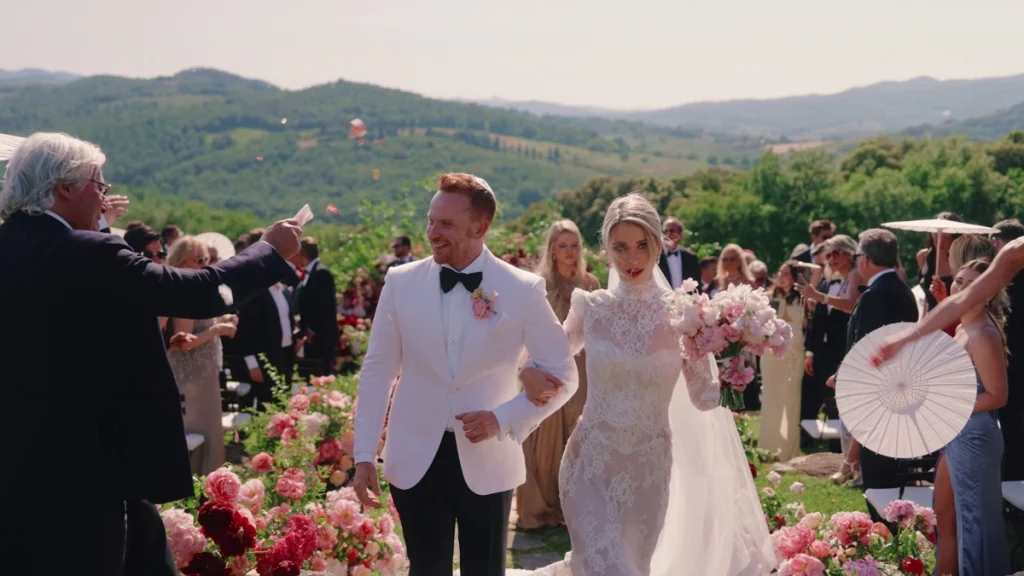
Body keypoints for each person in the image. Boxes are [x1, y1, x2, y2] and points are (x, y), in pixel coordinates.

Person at [0, 132, 302, 576]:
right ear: (65, 187)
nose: (104, 199)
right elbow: (195, 292)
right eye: (98, 185)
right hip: (90, 460)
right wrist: (269, 252)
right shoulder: (89, 251)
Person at [522, 193, 775, 576]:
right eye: (619, 247)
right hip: (589, 466)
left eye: (642, 245)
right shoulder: (591, 307)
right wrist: (527, 371)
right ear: (606, 249)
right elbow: (549, 358)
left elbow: (703, 397)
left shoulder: (686, 316)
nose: (631, 259)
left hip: (648, 474)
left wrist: (732, 372)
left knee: (630, 567)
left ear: (659, 244)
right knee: (607, 565)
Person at [351, 173, 579, 576]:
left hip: (489, 459)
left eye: (446, 224)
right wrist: (364, 454)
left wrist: (502, 418)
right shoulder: (400, 283)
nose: (431, 233)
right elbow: (377, 370)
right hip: (414, 458)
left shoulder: (522, 288)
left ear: (479, 228)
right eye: (430, 221)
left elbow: (563, 373)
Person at [517, 219, 600, 530]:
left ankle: (572, 508)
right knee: (543, 440)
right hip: (546, 368)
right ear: (552, 249)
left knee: (577, 437)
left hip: (582, 369)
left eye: (574, 245)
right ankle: (540, 509)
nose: (568, 251)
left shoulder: (590, 284)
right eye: (562, 246)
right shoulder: (539, 284)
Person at [932, 260, 1011, 576]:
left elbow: (998, 396)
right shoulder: (963, 328)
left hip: (975, 437)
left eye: (972, 283)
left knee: (974, 523)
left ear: (988, 292)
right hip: (956, 433)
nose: (962, 288)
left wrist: (951, 405)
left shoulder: (982, 334)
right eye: (959, 280)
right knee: (945, 516)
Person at [828, 229, 918, 493]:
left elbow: (864, 345)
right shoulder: (903, 290)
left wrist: (845, 376)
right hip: (897, 385)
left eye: (857, 256)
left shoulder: (875, 294)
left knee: (878, 472)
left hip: (877, 390)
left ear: (866, 260)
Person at [165, 236, 239, 474]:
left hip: (204, 375)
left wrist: (220, 321)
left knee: (211, 429)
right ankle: (199, 484)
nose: (206, 265)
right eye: (200, 260)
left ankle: (212, 484)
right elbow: (185, 341)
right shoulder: (183, 292)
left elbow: (200, 326)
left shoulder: (195, 290)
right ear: (181, 262)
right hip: (191, 377)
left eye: (207, 259)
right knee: (200, 433)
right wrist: (217, 329)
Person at [759, 260, 808, 462]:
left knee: (791, 398)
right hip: (772, 354)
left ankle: (789, 448)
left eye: (787, 273)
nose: (782, 277)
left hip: (794, 354)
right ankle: (769, 447)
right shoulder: (769, 297)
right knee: (772, 398)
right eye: (780, 272)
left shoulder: (803, 297)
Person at [991, 219, 1024, 481]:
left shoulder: (1003, 278)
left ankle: (1013, 480)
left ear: (997, 243)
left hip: (1012, 362)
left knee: (1012, 426)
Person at [293, 237, 339, 376]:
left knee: (319, 374)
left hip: (320, 337)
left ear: (302, 253)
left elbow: (326, 308)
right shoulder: (311, 272)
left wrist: (312, 330)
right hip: (312, 336)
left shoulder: (321, 273)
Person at [657, 216, 698, 289]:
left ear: (680, 234)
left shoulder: (691, 258)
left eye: (671, 231)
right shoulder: (656, 257)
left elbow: (697, 286)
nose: (668, 235)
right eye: (665, 232)